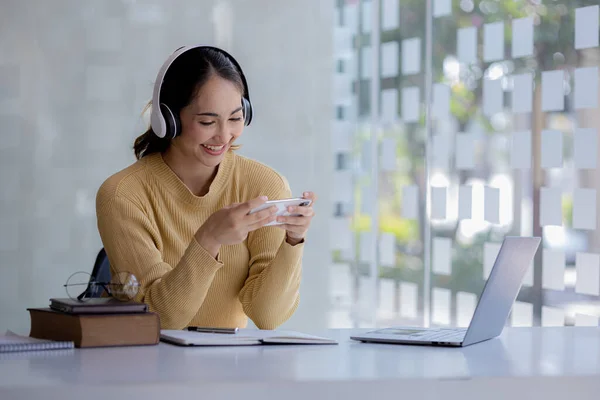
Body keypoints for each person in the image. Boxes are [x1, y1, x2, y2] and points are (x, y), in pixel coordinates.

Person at [95, 45, 316, 330]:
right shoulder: (122, 194)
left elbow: (267, 316)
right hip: (147, 364)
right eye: (207, 121)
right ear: (169, 119)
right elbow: (162, 318)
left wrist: (293, 242)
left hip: (230, 365)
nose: (224, 135)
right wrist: (209, 239)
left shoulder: (263, 183)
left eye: (236, 118)